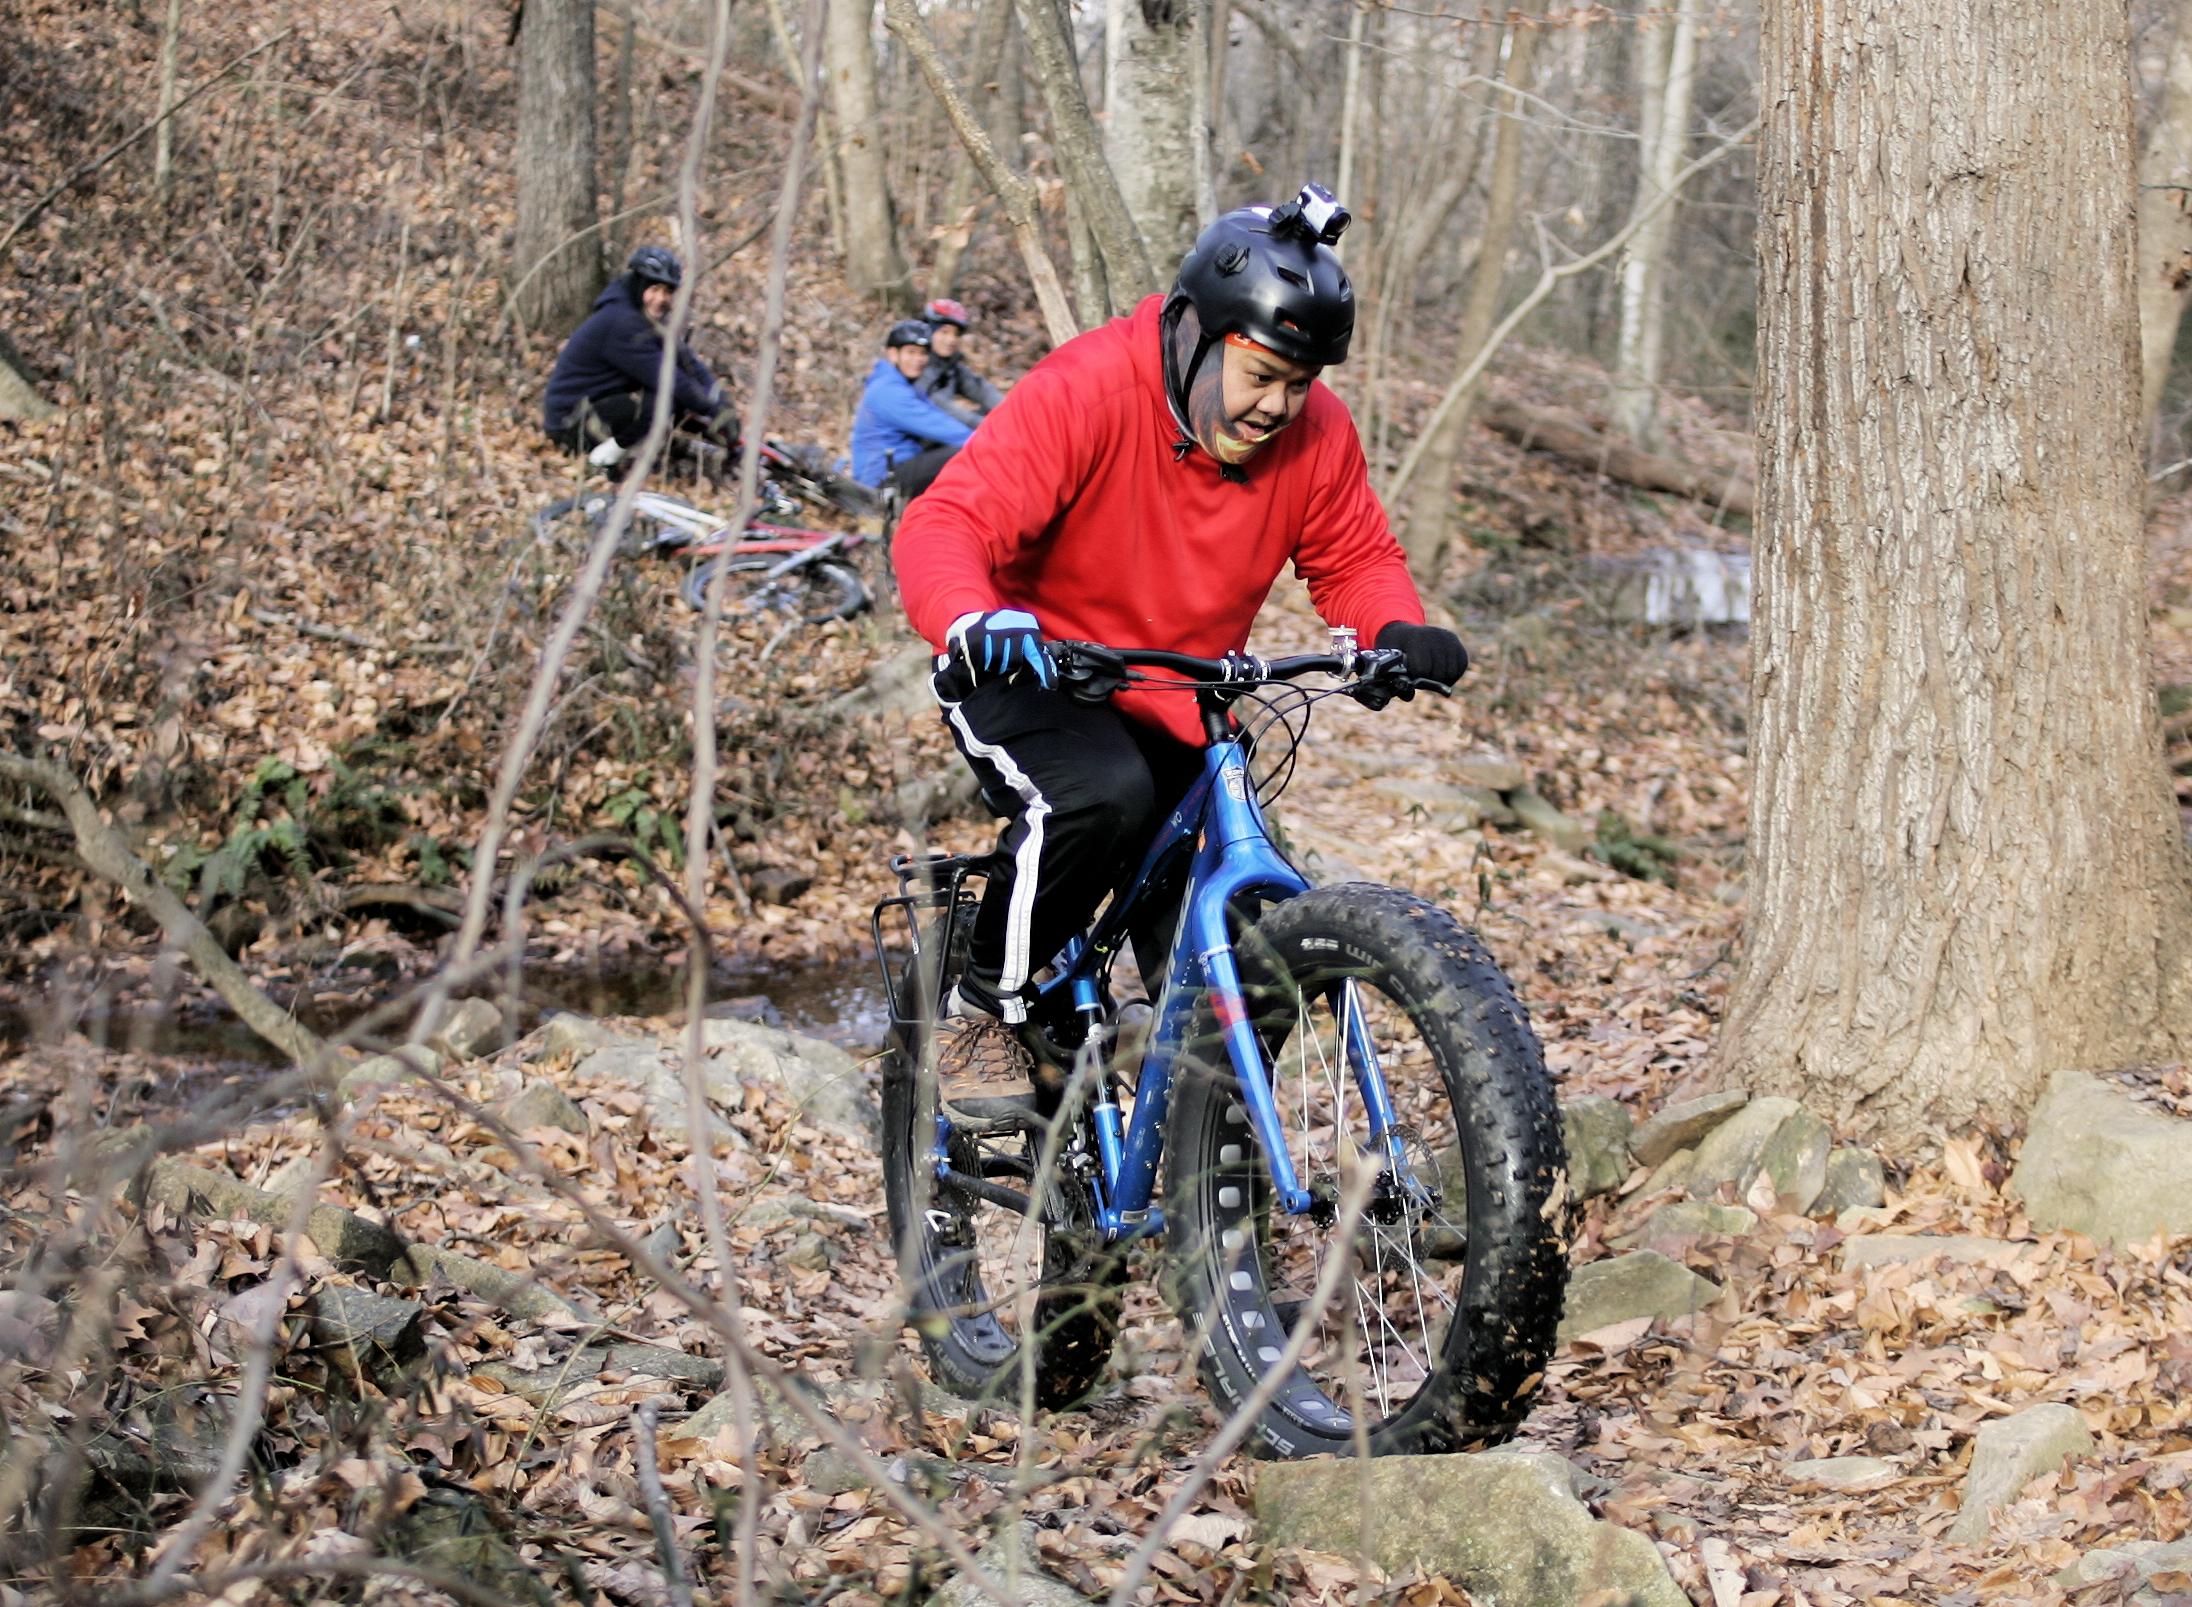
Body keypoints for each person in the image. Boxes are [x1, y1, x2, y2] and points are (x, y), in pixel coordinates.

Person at [892, 183, 1469, 1126]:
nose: (1280, 406)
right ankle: (979, 1006)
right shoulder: (1092, 386)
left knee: (1230, 949)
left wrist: (1391, 631)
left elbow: (1356, 558)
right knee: (1100, 797)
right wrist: (972, 615)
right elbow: (949, 520)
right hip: (1030, 670)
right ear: (1198, 332)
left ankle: (1207, 1190)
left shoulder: (1316, 434)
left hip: (1177, 695)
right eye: (1262, 376)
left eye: (1301, 382)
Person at [542, 246, 734, 465]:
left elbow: (687, 362)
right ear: (638, 285)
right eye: (654, 289)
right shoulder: (621, 323)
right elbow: (669, 379)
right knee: (662, 401)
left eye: (668, 291)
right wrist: (713, 411)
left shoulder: (643, 317)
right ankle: (603, 461)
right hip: (571, 423)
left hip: (599, 405)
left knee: (675, 402)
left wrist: (722, 403)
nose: (661, 299)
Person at [850, 320, 976, 501]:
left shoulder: (903, 385)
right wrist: (985, 443)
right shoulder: (888, 391)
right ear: (893, 354)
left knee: (956, 449)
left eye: (923, 353)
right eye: (911, 352)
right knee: (962, 453)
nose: (918, 360)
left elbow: (941, 419)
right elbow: (939, 426)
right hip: (881, 481)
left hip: (898, 467)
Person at [915, 297, 1006, 423]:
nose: (951, 340)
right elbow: (942, 408)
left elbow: (981, 390)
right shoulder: (916, 366)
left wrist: (1009, 412)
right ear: (928, 332)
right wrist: (985, 427)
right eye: (944, 332)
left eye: (956, 334)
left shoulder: (950, 365)